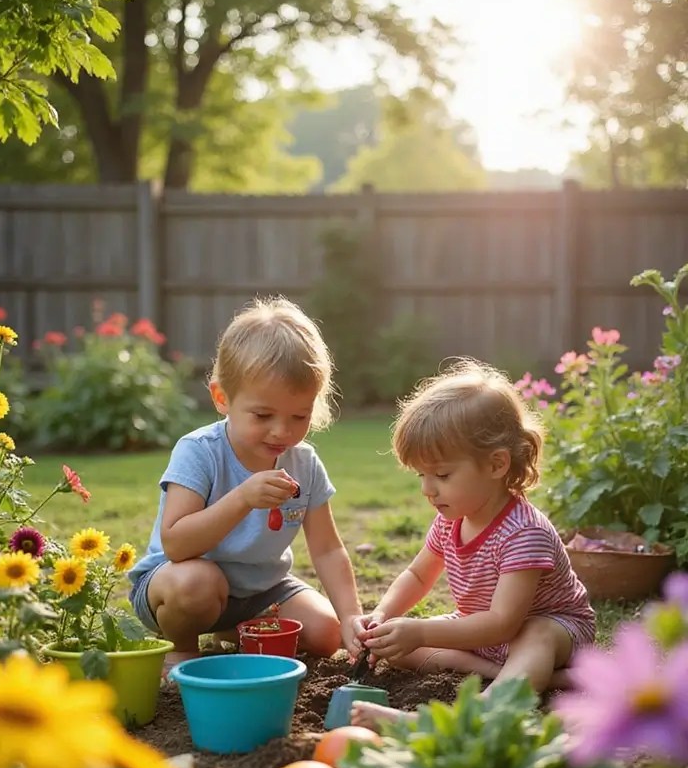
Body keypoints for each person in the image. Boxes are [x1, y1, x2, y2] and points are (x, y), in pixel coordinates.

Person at [350, 358, 595, 729]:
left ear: (497, 465)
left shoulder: (524, 532)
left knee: (535, 634)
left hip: (551, 630)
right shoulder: (451, 520)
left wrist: (421, 631)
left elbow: (503, 622)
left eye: (442, 475)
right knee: (399, 649)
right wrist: (384, 616)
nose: (427, 489)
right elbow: (418, 575)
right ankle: (509, 672)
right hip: (485, 634)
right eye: (422, 475)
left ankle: (480, 711)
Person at [129, 297, 363, 673]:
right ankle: (182, 649)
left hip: (260, 592)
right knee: (196, 585)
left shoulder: (304, 463)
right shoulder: (199, 452)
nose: (281, 431)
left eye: (298, 416)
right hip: (177, 585)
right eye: (263, 415)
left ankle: (235, 632)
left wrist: (352, 616)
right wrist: (241, 499)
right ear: (222, 398)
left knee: (325, 634)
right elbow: (175, 543)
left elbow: (328, 550)